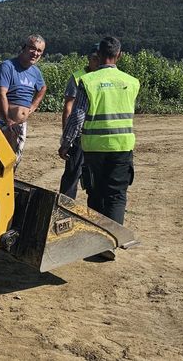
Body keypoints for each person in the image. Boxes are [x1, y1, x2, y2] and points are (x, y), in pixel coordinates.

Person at [58, 36, 139, 260]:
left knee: (95, 191)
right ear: (119, 55)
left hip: (94, 147)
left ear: (99, 55)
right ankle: (110, 242)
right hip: (122, 146)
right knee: (116, 193)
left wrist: (67, 142)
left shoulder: (89, 81)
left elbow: (78, 116)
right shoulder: (132, 82)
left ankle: (96, 240)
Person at [0, 34, 47, 165]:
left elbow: (43, 88)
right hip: (3, 121)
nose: (36, 53)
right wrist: (7, 120)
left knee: (13, 161)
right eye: (32, 48)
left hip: (19, 125)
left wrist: (32, 107)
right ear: (24, 48)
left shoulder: (35, 72)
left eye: (39, 51)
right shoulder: (8, 66)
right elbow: (1, 94)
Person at [59, 50, 99, 199]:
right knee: (72, 174)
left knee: (94, 176)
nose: (97, 62)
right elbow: (69, 109)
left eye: (99, 59)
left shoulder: (101, 77)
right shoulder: (77, 77)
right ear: (89, 59)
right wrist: (66, 137)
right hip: (79, 135)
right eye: (94, 58)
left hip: (96, 135)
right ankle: (65, 207)